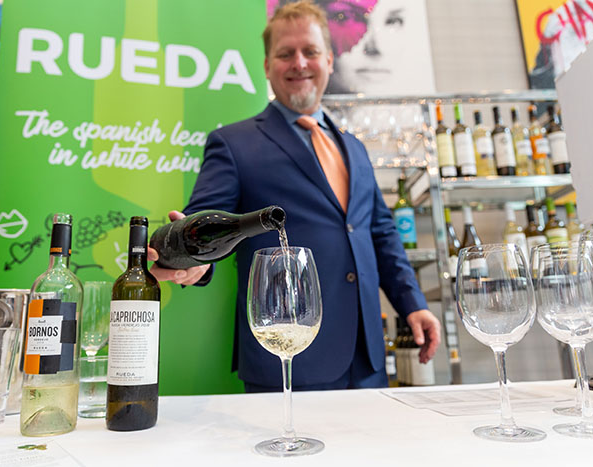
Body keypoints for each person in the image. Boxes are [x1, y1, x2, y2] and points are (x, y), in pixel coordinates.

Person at [149, 0, 440, 392]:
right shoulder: (233, 143)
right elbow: (206, 224)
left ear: (329, 60)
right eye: (285, 54)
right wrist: (192, 260)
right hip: (285, 358)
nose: (299, 63)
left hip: (368, 359)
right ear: (267, 66)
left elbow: (380, 233)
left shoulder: (354, 147)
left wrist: (412, 303)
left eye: (310, 51)